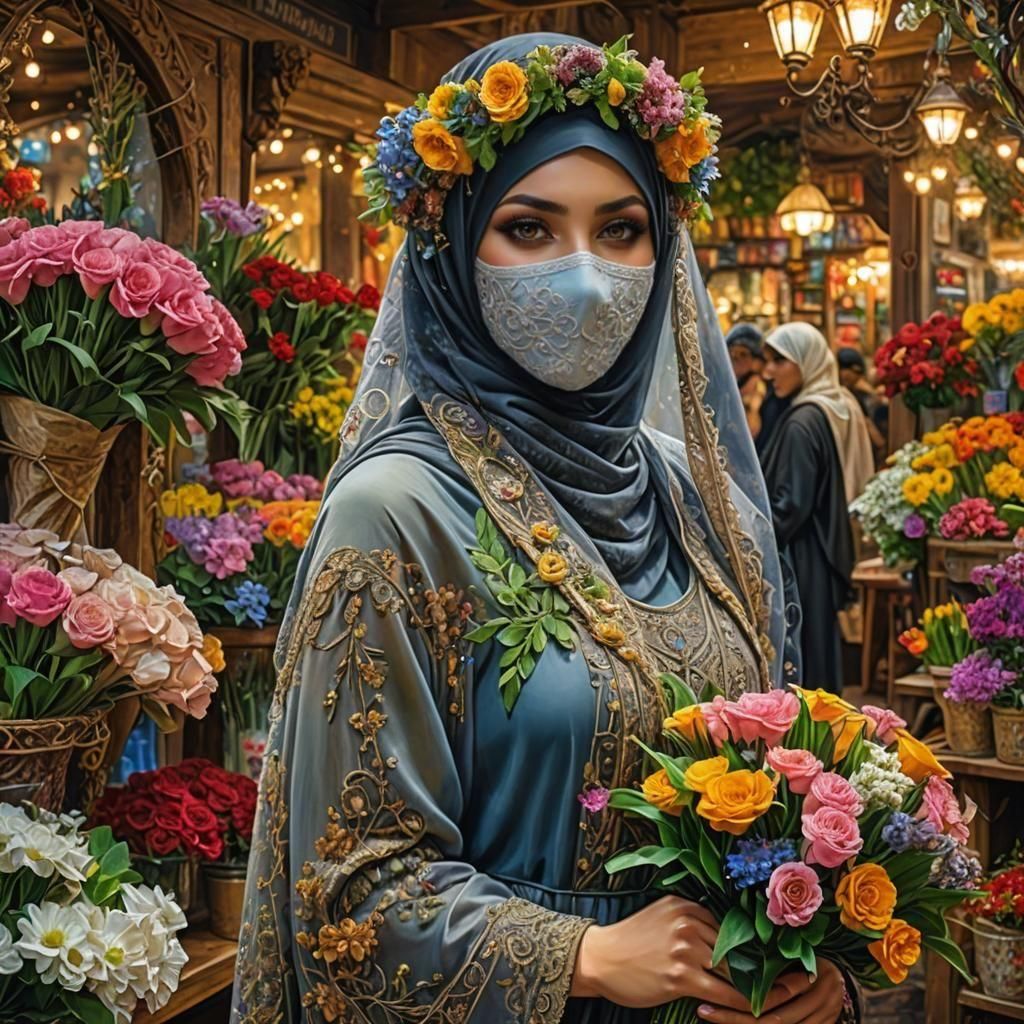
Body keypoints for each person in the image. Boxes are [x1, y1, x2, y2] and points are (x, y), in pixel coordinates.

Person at [232, 35, 848, 1024]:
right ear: (450, 238)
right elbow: (344, 894)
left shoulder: (690, 497)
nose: (585, 277)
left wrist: (796, 947)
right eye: (527, 227)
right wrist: (586, 953)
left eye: (619, 231)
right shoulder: (395, 512)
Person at [760, 323, 874, 693]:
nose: (769, 371)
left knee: (805, 663)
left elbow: (790, 507)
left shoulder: (802, 422)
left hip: (801, 560)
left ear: (805, 362)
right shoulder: (830, 406)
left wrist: (749, 536)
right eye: (768, 360)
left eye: (780, 360)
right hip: (819, 556)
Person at [836, 347, 889, 465]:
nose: (858, 378)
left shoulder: (854, 394)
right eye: (857, 373)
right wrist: (882, 446)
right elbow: (868, 425)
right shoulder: (851, 396)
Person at [726, 323, 767, 437]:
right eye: (731, 353)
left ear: (757, 362)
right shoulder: (727, 386)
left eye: (743, 354)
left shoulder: (758, 391)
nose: (735, 358)